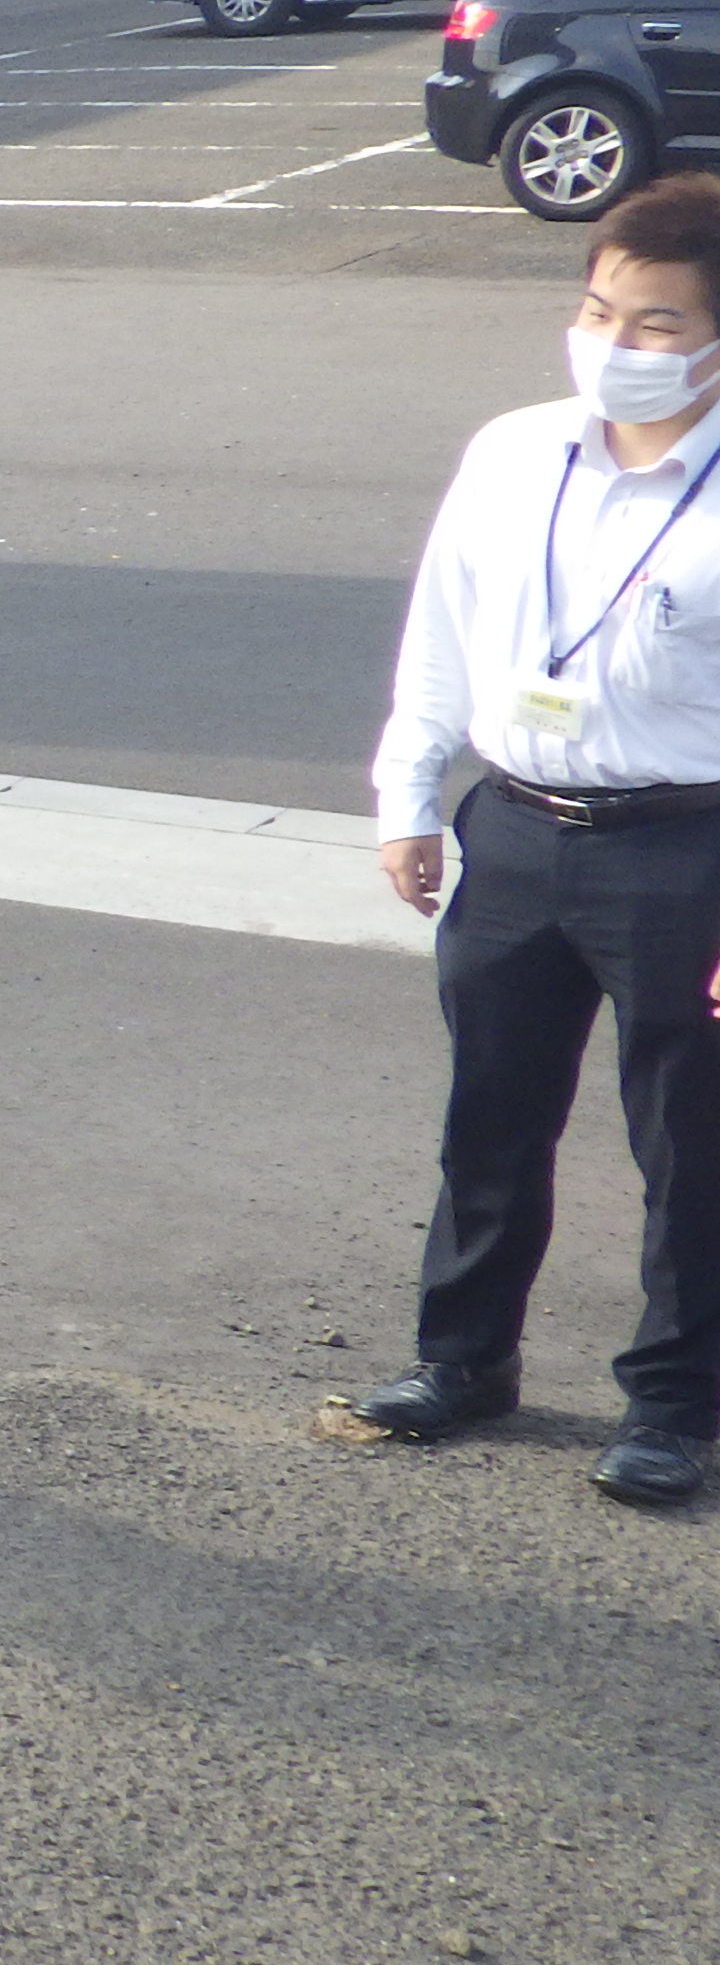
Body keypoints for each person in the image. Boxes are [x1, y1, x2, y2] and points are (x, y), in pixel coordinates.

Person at [354, 177, 720, 1509]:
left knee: (693, 1144)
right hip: (513, 829)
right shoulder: (514, 452)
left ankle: (675, 1407)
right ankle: (462, 1360)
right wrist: (409, 797)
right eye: (599, 310)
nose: (617, 343)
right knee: (491, 1117)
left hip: (688, 853)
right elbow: (441, 633)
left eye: (659, 324)